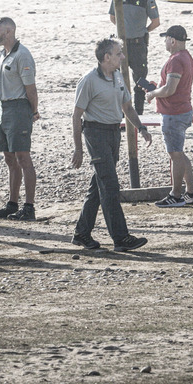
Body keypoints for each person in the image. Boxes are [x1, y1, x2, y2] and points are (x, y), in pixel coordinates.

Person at [70, 38, 150, 252]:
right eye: (118, 53)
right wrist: (78, 148)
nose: (123, 57)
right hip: (95, 134)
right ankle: (121, 238)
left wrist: (141, 128)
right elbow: (76, 115)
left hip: (114, 133)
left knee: (99, 186)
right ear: (106, 57)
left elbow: (127, 107)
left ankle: (81, 233)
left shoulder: (118, 76)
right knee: (110, 186)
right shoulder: (88, 80)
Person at [0, 17, 41, 222]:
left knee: (23, 157)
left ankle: (29, 207)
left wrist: (33, 111)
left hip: (19, 107)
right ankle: (12, 204)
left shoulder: (23, 55)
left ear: (9, 31)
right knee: (9, 157)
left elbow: (31, 89)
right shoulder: (3, 54)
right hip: (5, 108)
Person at [145, 25, 193, 208]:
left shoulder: (176, 60)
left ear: (173, 40)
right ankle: (191, 191)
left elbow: (170, 89)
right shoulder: (186, 57)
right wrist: (156, 88)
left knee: (175, 154)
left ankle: (176, 195)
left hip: (173, 113)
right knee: (179, 152)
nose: (164, 42)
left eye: (166, 38)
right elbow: (171, 85)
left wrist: (153, 94)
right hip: (182, 110)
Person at [107, 0, 160, 115]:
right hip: (120, 46)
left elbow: (156, 22)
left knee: (140, 81)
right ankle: (121, 114)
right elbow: (112, 17)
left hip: (138, 45)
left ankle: (139, 115)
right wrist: (124, 30)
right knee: (117, 81)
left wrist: (142, 32)